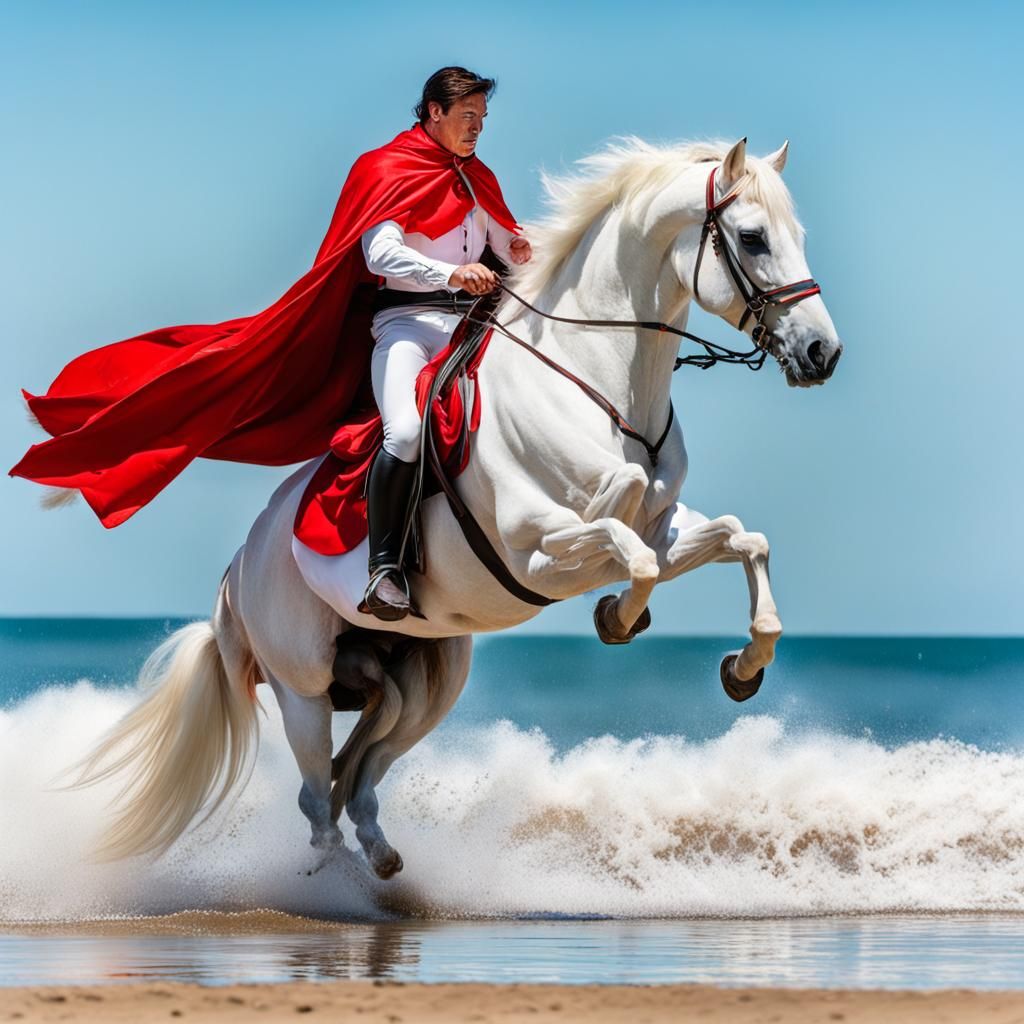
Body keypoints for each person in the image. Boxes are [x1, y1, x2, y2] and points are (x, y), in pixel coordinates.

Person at [357, 68, 532, 621]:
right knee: (405, 431)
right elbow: (378, 255)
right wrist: (451, 274)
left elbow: (511, 244)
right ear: (434, 111)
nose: (478, 128)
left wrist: (535, 249)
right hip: (406, 325)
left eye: (482, 119)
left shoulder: (478, 178)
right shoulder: (386, 168)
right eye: (468, 117)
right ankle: (384, 569)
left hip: (470, 327)